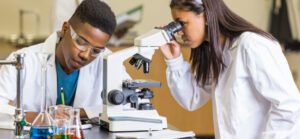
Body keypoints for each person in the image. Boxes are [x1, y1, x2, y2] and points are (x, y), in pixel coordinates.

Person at [159, 0, 300, 138]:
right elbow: (192, 98)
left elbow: (288, 105)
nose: (180, 33)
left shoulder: (252, 45)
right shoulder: (218, 53)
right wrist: (174, 60)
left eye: (182, 24)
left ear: (206, 16)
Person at [0, 0, 130, 122]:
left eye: (95, 50)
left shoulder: (108, 61)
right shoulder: (25, 60)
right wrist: (43, 117)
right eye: (81, 42)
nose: (85, 55)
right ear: (65, 29)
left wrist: (78, 113)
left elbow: (131, 106)